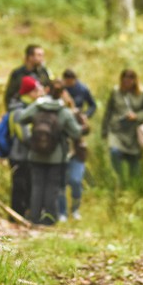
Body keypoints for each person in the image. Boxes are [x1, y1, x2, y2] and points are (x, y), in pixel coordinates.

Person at [18, 80, 83, 225]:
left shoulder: (37, 106)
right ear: (62, 93)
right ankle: (50, 219)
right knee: (52, 188)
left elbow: (22, 118)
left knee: (37, 186)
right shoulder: (64, 111)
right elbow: (76, 132)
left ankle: (34, 218)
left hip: (35, 154)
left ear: (47, 90)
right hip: (56, 156)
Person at [101, 69, 143, 186]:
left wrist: (137, 116)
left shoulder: (142, 93)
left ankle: (132, 186)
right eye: (125, 81)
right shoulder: (115, 92)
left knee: (134, 160)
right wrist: (104, 129)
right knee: (114, 151)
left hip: (134, 131)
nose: (127, 83)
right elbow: (108, 111)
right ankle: (119, 178)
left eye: (130, 80)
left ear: (134, 81)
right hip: (117, 130)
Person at [58, 69, 95, 221]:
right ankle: (62, 212)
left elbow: (86, 128)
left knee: (75, 181)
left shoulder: (77, 107)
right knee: (60, 182)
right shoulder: (55, 113)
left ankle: (75, 209)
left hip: (77, 151)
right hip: (60, 151)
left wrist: (82, 118)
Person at [7, 76, 43, 218]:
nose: (41, 91)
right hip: (19, 156)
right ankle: (16, 218)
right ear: (30, 92)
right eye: (38, 89)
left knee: (30, 187)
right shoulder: (18, 111)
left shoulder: (33, 108)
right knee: (20, 188)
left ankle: (27, 216)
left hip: (30, 156)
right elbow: (24, 136)